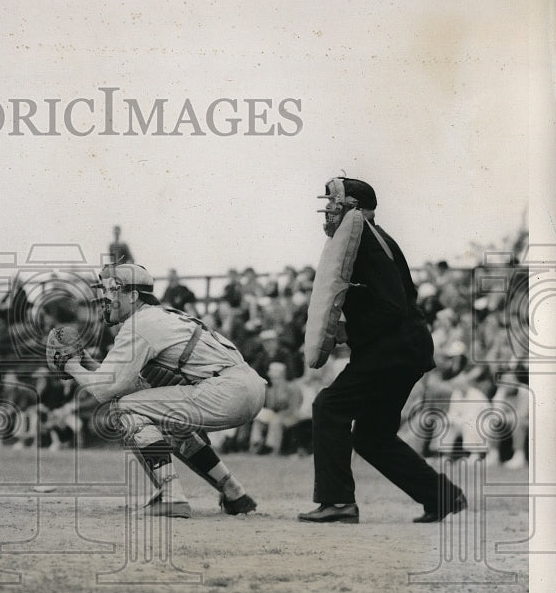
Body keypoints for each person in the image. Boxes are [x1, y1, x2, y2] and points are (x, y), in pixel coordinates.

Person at [298, 177, 466, 524]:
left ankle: (338, 502)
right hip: (400, 349)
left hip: (392, 351)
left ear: (353, 208)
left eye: (334, 203)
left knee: (328, 407)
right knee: (373, 437)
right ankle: (442, 496)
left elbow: (392, 308)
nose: (328, 210)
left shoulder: (368, 243)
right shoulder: (370, 239)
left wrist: (349, 331)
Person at [58, 263, 265, 518]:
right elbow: (128, 385)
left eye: (113, 291)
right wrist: (87, 363)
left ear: (133, 296)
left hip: (225, 390)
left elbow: (104, 390)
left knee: (122, 409)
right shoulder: (161, 315)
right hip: (246, 385)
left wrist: (70, 366)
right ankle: (235, 493)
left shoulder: (139, 324)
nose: (106, 298)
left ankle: (172, 497)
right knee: (167, 419)